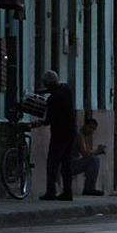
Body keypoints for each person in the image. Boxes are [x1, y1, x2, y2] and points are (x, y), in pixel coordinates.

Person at [39, 70, 76, 201]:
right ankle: (67, 192)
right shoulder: (67, 90)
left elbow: (49, 120)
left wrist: (38, 123)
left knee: (53, 163)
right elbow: (56, 90)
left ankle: (51, 192)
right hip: (71, 132)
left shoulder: (53, 99)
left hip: (59, 134)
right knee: (66, 164)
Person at [71, 118, 106, 196]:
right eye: (90, 127)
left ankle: (89, 187)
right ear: (85, 125)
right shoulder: (79, 135)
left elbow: (88, 152)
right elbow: (85, 154)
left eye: (93, 129)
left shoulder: (84, 136)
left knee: (95, 160)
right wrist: (97, 151)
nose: (91, 131)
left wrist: (97, 151)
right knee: (94, 160)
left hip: (74, 162)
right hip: (69, 164)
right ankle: (89, 188)